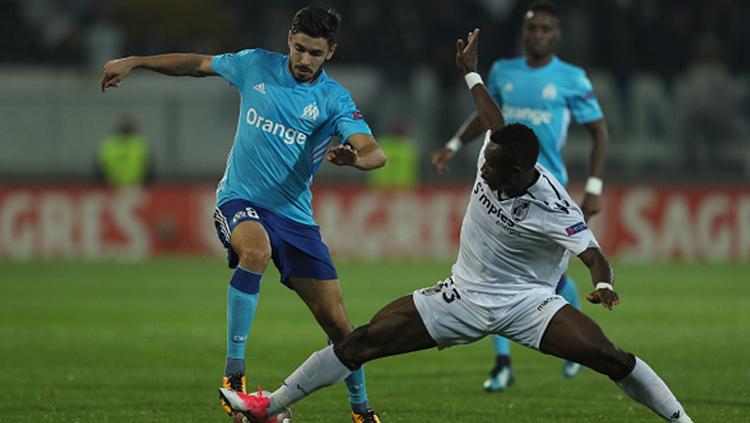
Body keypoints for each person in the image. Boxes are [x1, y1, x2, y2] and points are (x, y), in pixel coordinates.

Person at [219, 28, 692, 423]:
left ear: (517, 174)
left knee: (611, 358)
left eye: (490, 169)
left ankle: (681, 420)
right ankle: (271, 407)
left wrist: (604, 283)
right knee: (360, 341)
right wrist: (470, 71)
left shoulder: (553, 203)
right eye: (485, 158)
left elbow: (592, 253)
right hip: (460, 296)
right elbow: (493, 120)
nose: (481, 170)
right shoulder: (500, 150)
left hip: (527, 304)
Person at [100, 6, 385, 423]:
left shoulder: (333, 99)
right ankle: (234, 374)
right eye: (300, 49)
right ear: (290, 38)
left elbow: (375, 152)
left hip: (295, 217)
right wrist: (136, 62)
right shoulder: (255, 64)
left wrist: (356, 160)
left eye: (316, 54)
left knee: (340, 326)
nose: (305, 61)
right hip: (240, 199)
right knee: (256, 252)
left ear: (331, 52)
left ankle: (361, 410)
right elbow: (197, 65)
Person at [431, 0, 610, 390]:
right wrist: (454, 144)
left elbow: (598, 131)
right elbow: (487, 115)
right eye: (533, 28)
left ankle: (574, 332)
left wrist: (593, 187)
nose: (539, 35)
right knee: (493, 270)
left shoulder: (572, 78)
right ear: (524, 32)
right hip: (500, 182)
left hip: (548, 194)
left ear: (557, 35)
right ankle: (502, 363)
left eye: (546, 29)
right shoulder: (503, 71)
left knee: (548, 278)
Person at [96, 118, 151, 187]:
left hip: (135, 184)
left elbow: (148, 165)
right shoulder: (109, 143)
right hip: (112, 185)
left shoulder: (140, 143)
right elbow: (101, 165)